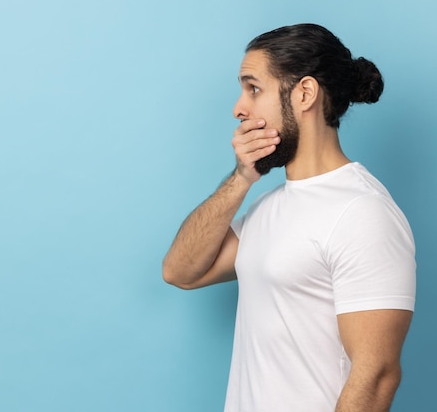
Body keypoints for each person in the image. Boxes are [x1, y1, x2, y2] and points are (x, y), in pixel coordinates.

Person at [162, 23, 416, 412]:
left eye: (254, 88)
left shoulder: (362, 211)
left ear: (305, 93)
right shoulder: (267, 207)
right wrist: (242, 177)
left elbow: (377, 375)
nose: (239, 107)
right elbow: (181, 272)